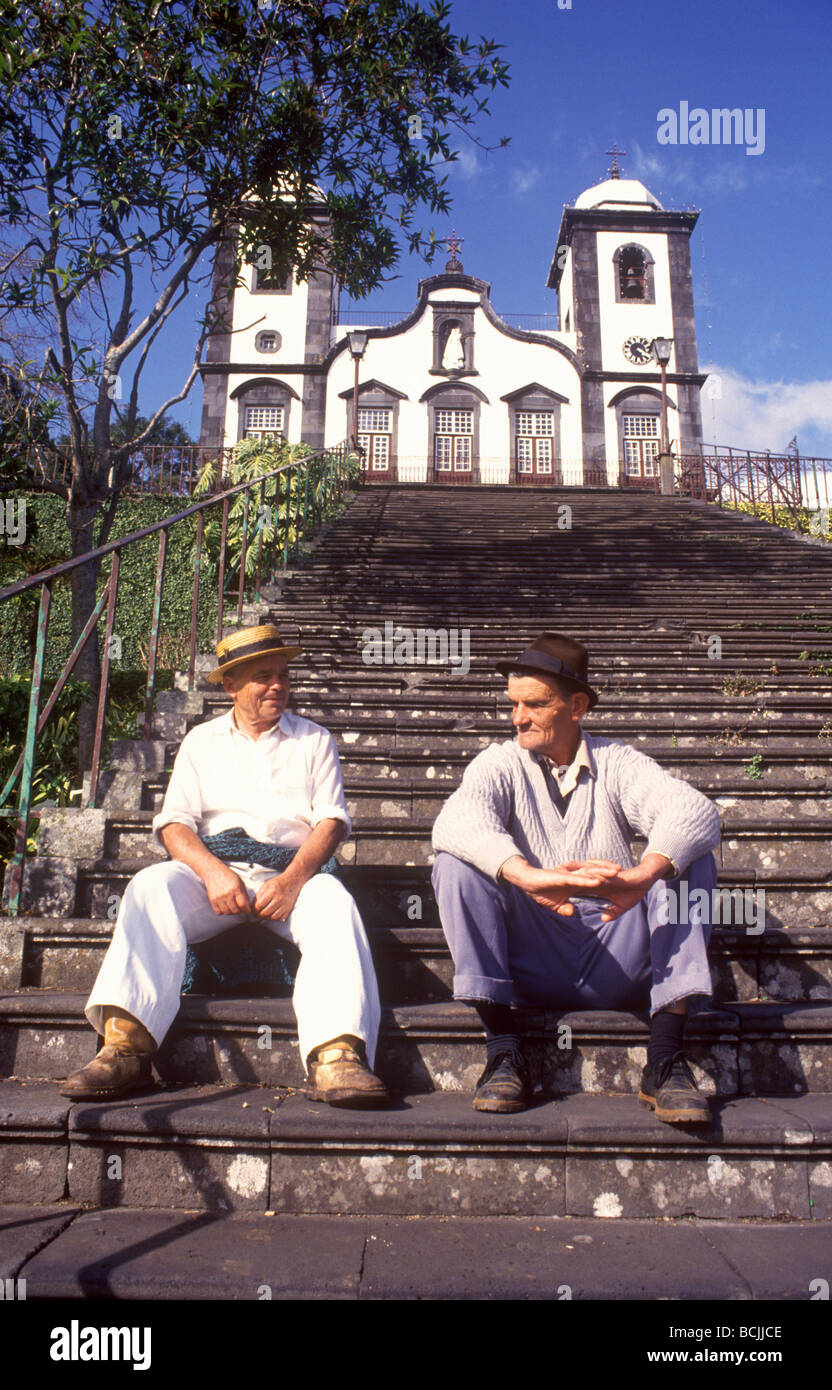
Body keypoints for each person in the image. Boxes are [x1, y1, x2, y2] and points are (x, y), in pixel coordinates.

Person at [61, 623, 388, 1108]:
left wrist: (295, 878)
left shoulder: (314, 739)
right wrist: (213, 872)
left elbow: (332, 823)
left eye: (282, 675)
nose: (278, 685)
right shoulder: (201, 741)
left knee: (335, 903)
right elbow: (174, 825)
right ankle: (125, 1047)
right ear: (231, 685)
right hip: (218, 876)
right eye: (263, 677)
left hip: (291, 875)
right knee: (151, 886)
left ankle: (337, 1055)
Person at [431, 632, 721, 1123]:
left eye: (534, 705)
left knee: (687, 857)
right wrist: (529, 877)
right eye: (513, 704)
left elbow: (694, 809)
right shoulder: (500, 762)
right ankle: (503, 1049)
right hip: (534, 952)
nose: (517, 717)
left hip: (617, 947)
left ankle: (666, 1059)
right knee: (454, 862)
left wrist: (642, 876)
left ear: (577, 705)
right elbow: (455, 821)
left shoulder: (618, 762)